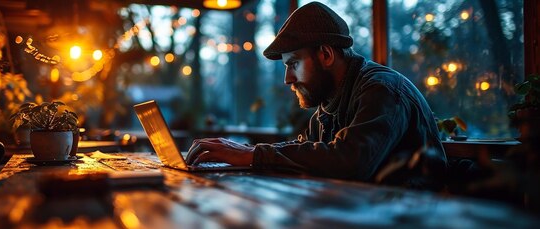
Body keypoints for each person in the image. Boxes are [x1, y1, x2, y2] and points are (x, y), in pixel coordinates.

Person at [186, 2, 447, 189]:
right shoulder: (328, 105)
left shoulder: (382, 89)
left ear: (325, 55)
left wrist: (253, 154)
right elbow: (308, 153)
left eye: (293, 64)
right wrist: (247, 151)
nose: (287, 79)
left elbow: (351, 161)